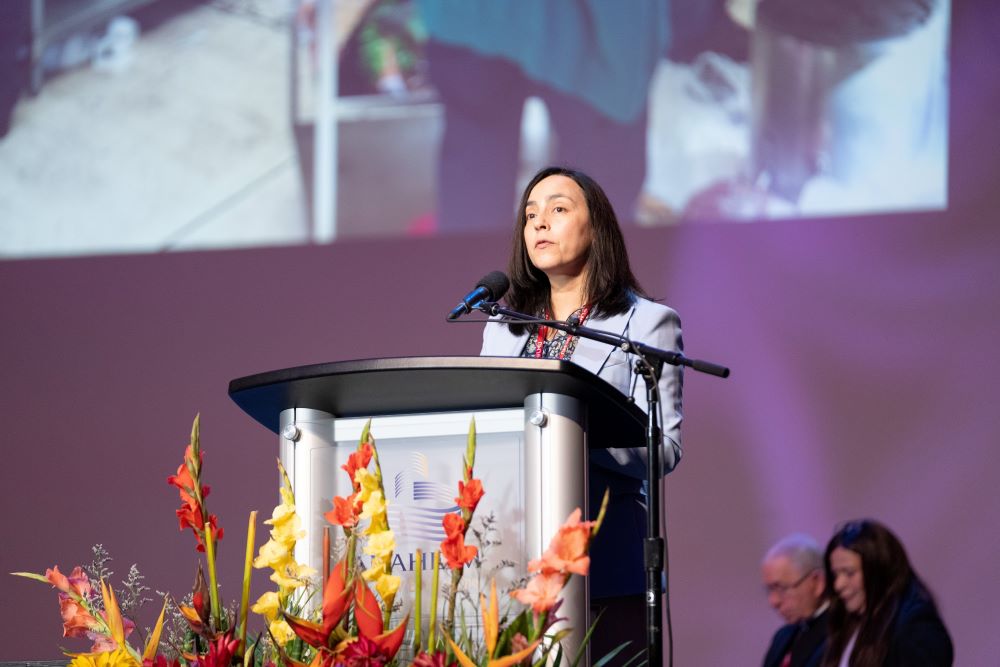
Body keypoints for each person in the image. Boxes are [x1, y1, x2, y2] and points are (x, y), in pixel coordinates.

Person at [479, 165, 683, 659]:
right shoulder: (504, 329)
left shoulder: (647, 322)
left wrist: (572, 441)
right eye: (530, 214)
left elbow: (665, 448)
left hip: (606, 559)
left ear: (598, 230)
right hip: (514, 563)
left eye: (558, 209)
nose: (540, 223)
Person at [416, 1, 671, 232]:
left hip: (472, 16)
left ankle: (475, 273)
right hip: (596, 26)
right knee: (598, 190)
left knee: (475, 179)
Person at [821, 519, 953, 667]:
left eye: (849, 573)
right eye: (835, 575)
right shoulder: (847, 626)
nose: (838, 585)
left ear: (879, 571)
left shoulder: (915, 629)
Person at [761, 534, 830, 667]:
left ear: (817, 582)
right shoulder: (782, 638)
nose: (774, 601)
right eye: (770, 590)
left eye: (781, 588)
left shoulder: (841, 635)